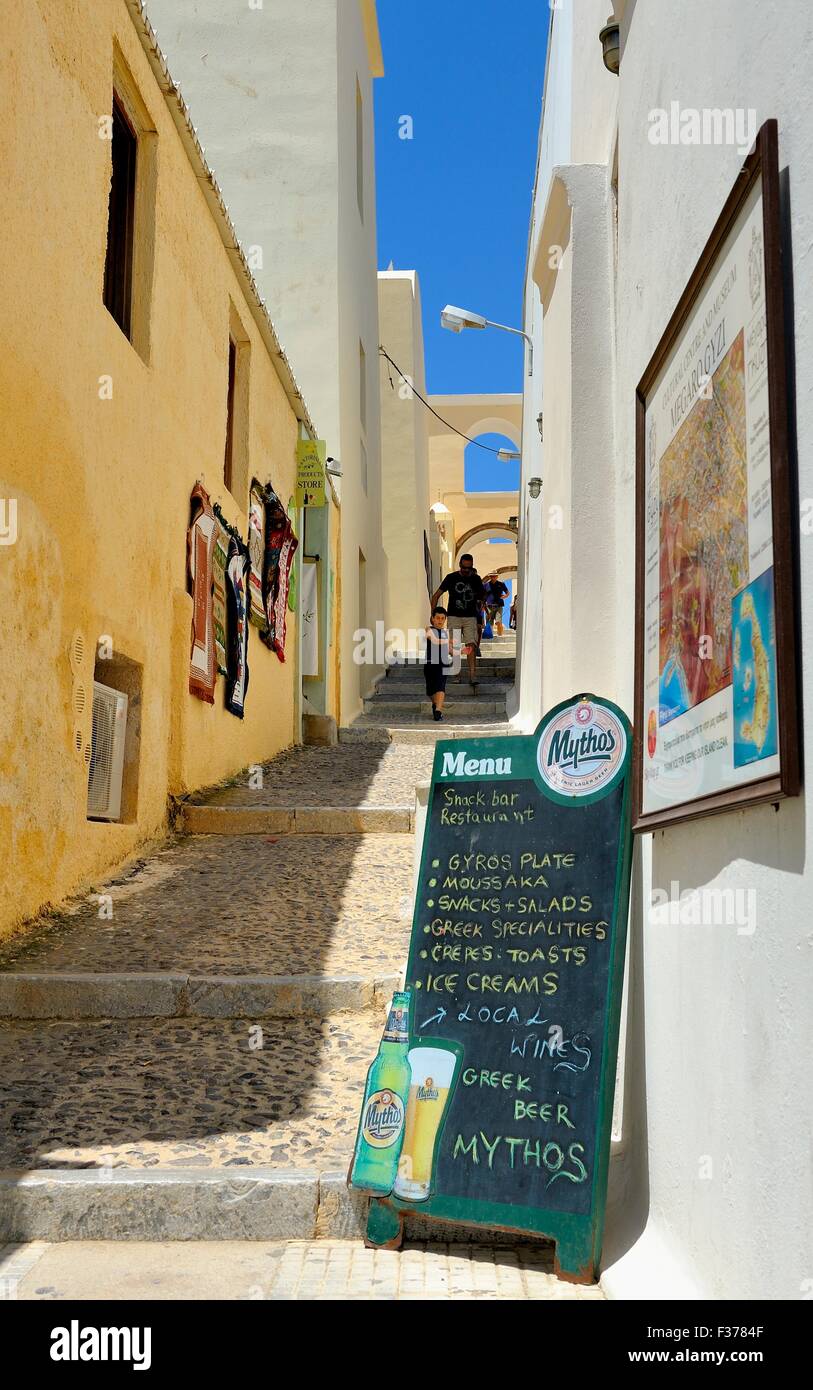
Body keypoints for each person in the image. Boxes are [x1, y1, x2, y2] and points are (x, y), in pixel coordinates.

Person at [431, 554, 485, 687]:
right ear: (460, 565)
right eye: (464, 567)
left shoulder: (476, 579)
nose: (466, 570)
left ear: (472, 566)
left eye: (469, 568)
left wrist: (480, 615)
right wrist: (433, 615)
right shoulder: (451, 578)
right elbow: (436, 595)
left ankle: (472, 676)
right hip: (454, 616)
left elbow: (482, 598)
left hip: (470, 617)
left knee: (471, 645)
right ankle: (456, 674)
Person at [424, 606, 453, 721]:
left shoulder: (446, 633)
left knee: (440, 686)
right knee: (430, 691)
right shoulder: (429, 629)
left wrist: (461, 651)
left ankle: (438, 711)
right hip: (430, 664)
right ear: (433, 619)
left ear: (445, 619)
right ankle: (435, 704)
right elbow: (435, 641)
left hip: (443, 663)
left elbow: (450, 650)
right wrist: (447, 641)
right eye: (438, 618)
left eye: (442, 618)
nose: (440, 621)